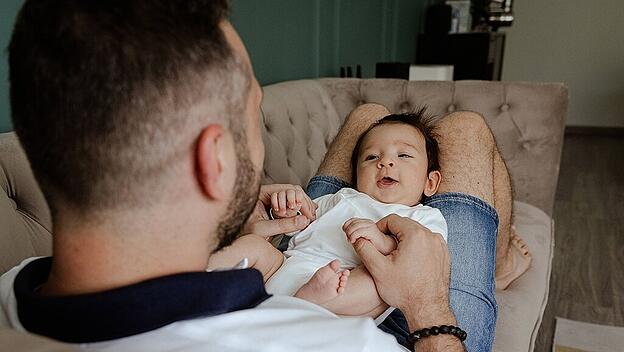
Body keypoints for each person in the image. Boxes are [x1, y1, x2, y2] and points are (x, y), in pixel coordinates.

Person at [0, 1, 466, 351]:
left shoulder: (12, 287)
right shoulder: (342, 343)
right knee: (468, 129)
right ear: (214, 161)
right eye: (254, 115)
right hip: (365, 286)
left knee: (371, 114)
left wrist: (242, 232)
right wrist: (430, 310)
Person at [207, 111, 448, 323]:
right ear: (355, 175)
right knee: (254, 246)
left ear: (430, 182)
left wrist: (383, 242)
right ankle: (195, 277)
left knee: (381, 283)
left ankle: (306, 303)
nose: (386, 162)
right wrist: (287, 210)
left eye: (404, 155)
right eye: (371, 157)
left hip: (343, 287)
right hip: (282, 269)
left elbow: (419, 261)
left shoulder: (424, 217)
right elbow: (301, 223)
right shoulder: (340, 198)